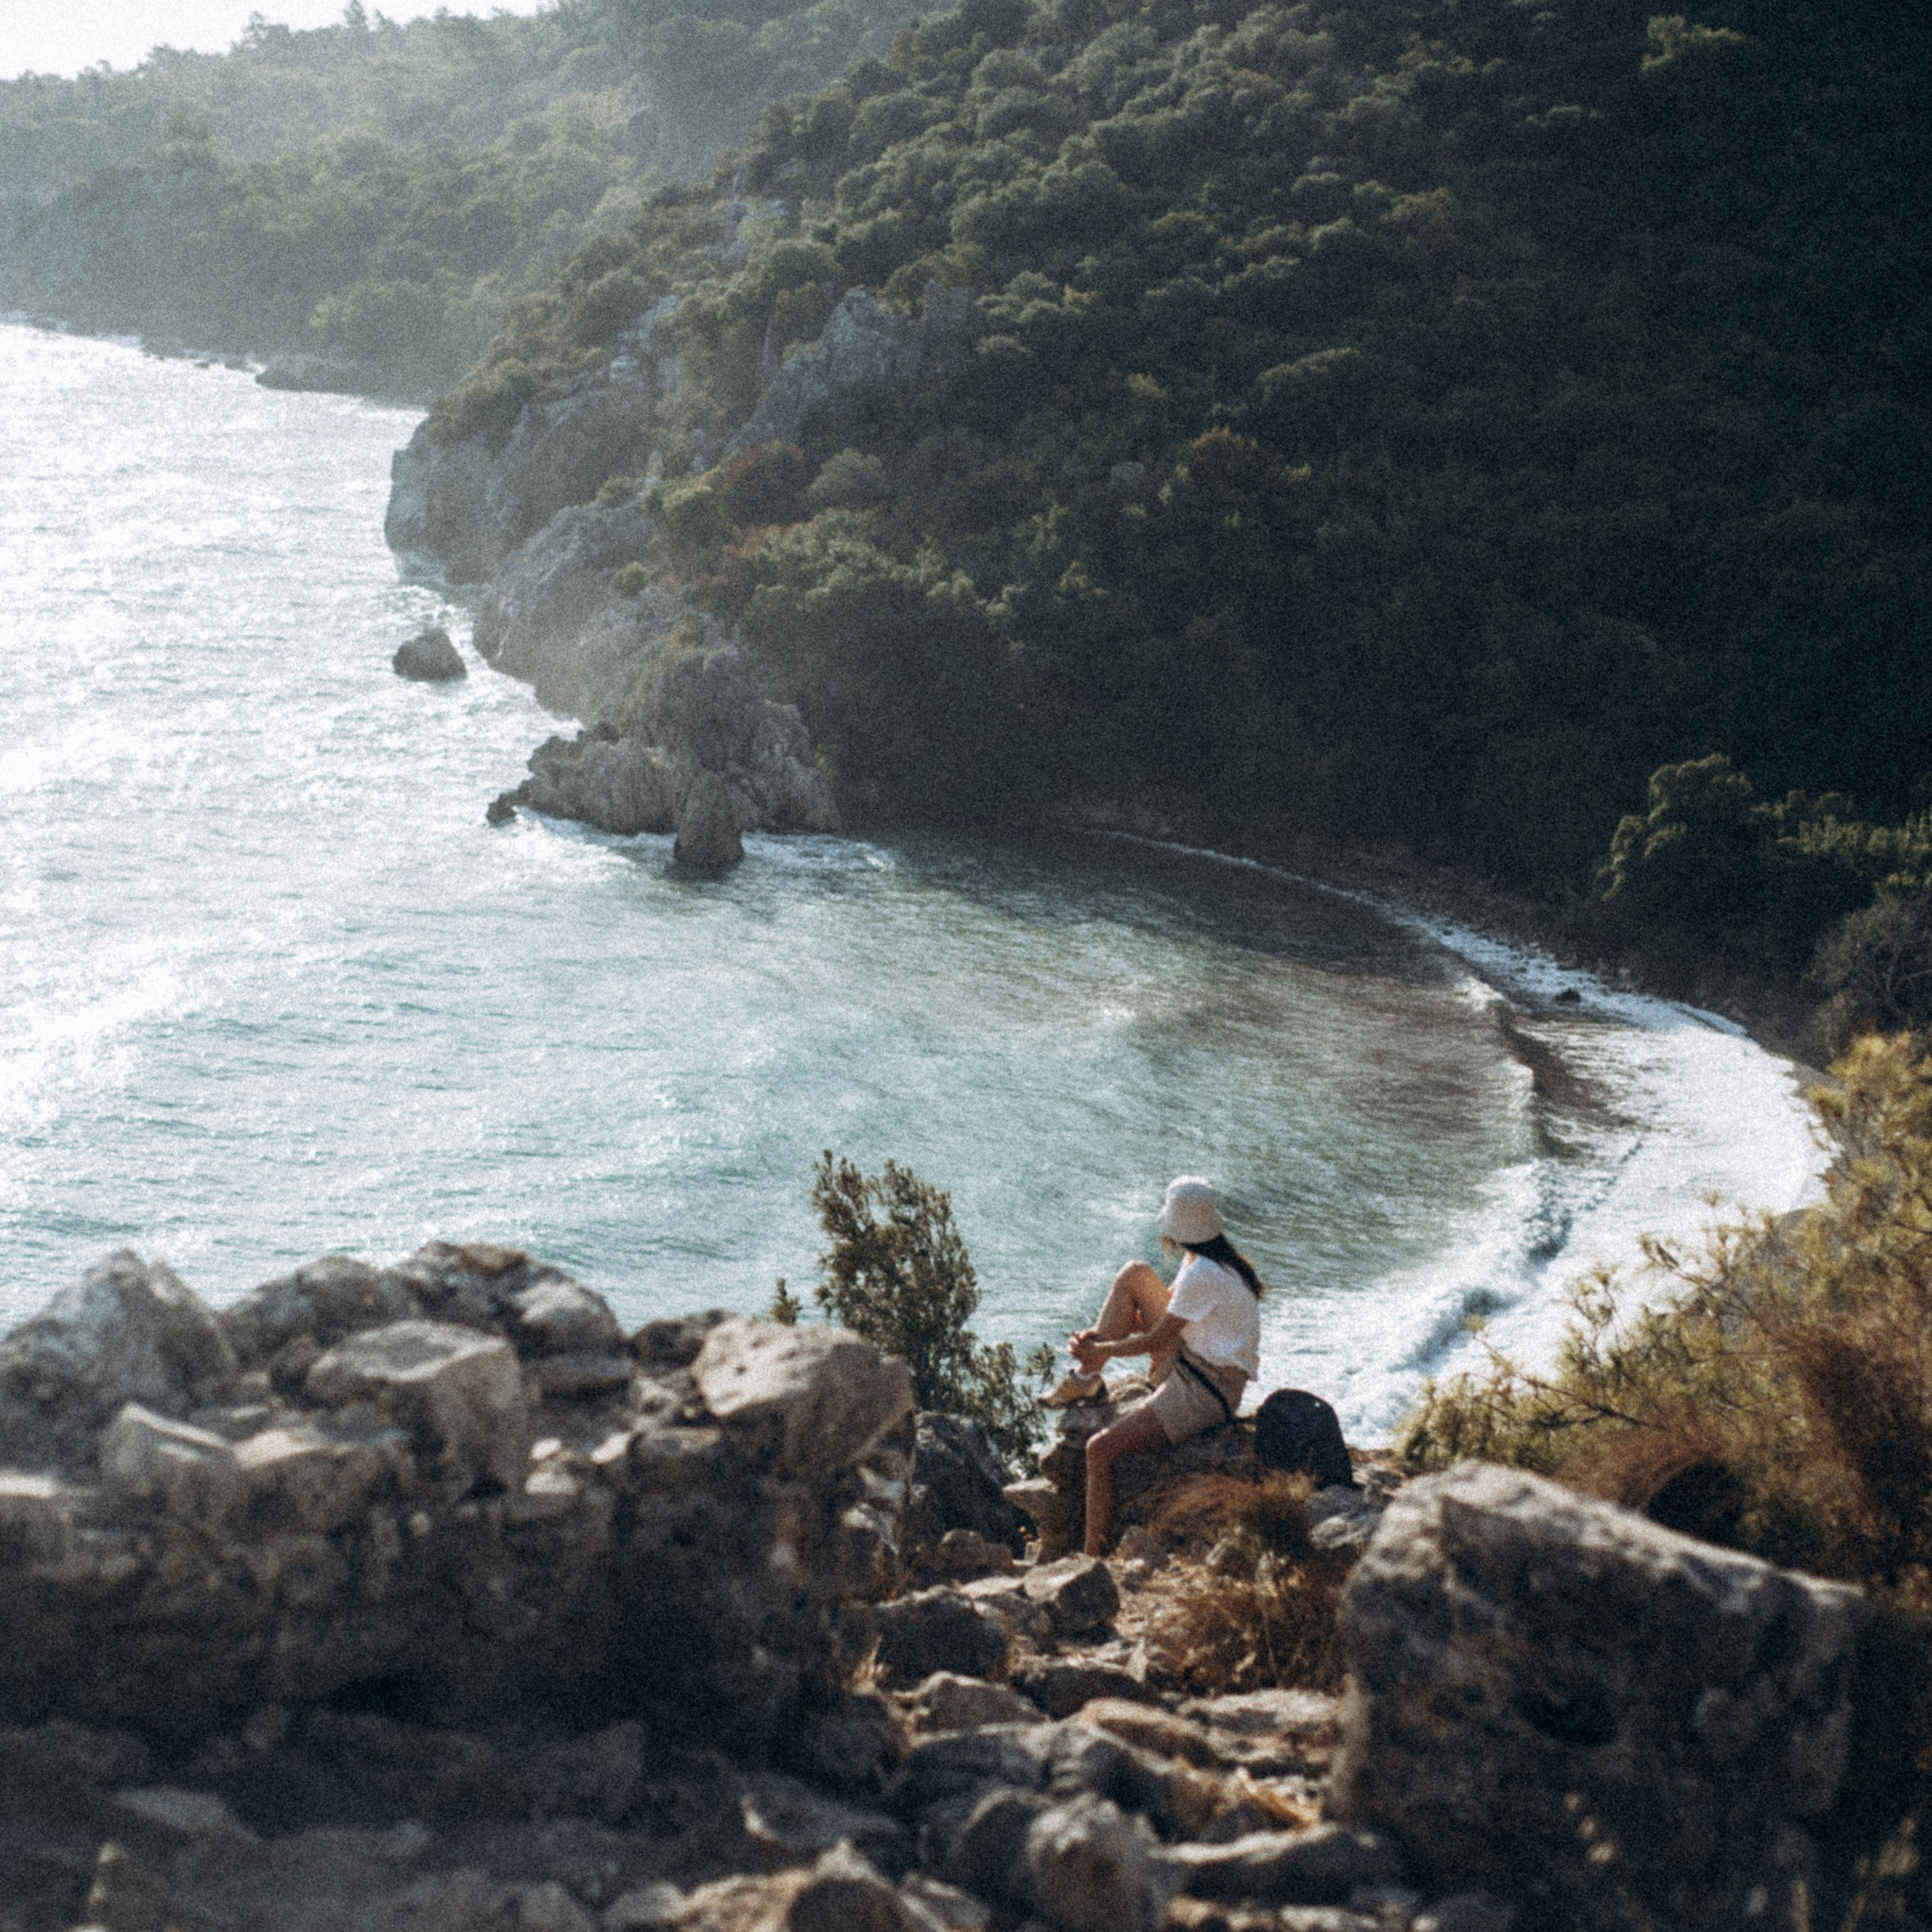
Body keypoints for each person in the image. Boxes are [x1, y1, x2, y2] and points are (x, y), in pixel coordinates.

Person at [1042, 1176, 1264, 1556]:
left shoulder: (1203, 1274)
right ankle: (1087, 1379)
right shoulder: (1206, 1262)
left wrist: (1103, 1351)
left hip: (1206, 1389)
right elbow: (1152, 1320)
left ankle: (1091, 1559)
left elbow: (1156, 1341)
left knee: (1099, 1451)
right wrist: (1096, 1340)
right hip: (1191, 1364)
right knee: (1135, 1273)